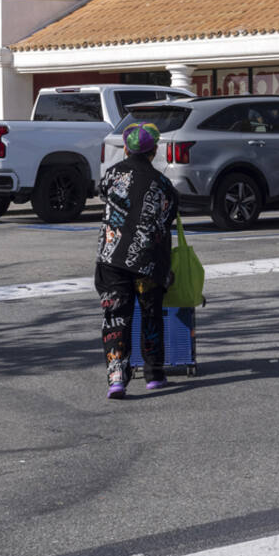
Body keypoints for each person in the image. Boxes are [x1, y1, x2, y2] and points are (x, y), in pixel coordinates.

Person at [95, 122, 179, 398]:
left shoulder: (111, 175)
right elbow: (167, 222)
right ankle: (154, 375)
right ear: (153, 150)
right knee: (151, 314)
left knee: (115, 316)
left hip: (112, 259)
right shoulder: (163, 185)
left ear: (126, 148)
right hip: (148, 262)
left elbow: (104, 194)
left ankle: (117, 378)